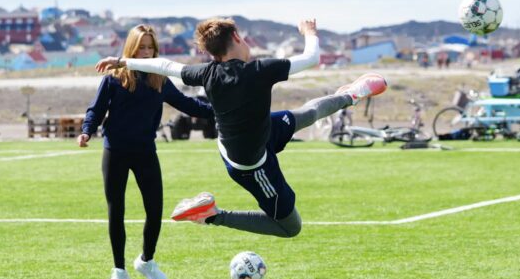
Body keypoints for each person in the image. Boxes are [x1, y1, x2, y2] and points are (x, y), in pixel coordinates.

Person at [95, 18, 386, 238]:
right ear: (236, 37)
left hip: (258, 133)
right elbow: (311, 58)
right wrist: (309, 31)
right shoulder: (258, 71)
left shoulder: (207, 72)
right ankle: (212, 215)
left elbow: (166, 66)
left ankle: (352, 94)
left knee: (306, 114)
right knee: (290, 227)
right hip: (250, 163)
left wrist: (122, 60)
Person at [79, 24, 214, 279]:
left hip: (145, 152)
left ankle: (146, 260)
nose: (146, 52)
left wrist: (220, 109)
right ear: (131, 48)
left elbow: (189, 105)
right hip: (115, 151)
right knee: (116, 210)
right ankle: (119, 271)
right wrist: (86, 131)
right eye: (141, 47)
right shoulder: (114, 77)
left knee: (155, 210)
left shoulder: (159, 79)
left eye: (150, 47)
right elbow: (96, 109)